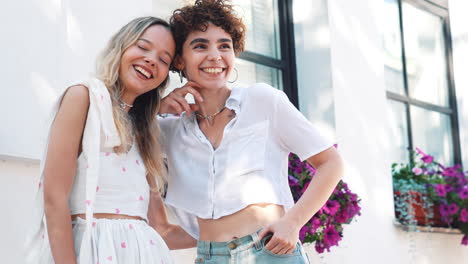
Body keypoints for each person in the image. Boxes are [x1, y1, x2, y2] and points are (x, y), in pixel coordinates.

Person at [158, 0, 345, 263]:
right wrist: (156, 108)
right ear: (179, 59)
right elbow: (116, 136)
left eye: (225, 46)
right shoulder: (169, 127)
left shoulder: (262, 100)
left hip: (269, 251)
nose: (215, 56)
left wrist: (293, 222)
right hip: (211, 257)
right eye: (200, 46)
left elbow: (331, 162)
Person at [25, 16, 195, 264]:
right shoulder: (83, 97)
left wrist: (234, 231)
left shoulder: (146, 132)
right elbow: (54, 199)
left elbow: (162, 228)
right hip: (89, 253)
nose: (151, 60)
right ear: (121, 46)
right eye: (143, 47)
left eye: (163, 59)